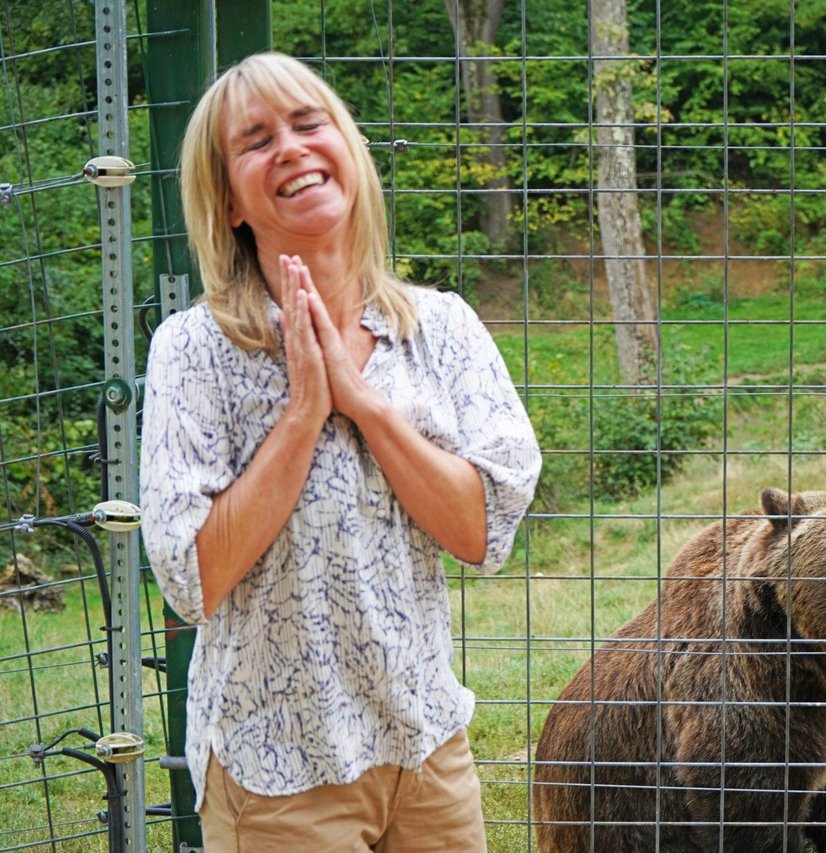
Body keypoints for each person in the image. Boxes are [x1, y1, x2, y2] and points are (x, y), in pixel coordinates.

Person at [140, 52, 540, 852]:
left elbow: (480, 530)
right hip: (277, 773)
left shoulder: (443, 328)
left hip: (427, 752)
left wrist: (364, 404)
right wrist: (302, 414)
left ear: (348, 149)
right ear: (226, 199)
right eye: (256, 140)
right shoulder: (192, 350)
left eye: (308, 123)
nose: (289, 146)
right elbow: (194, 579)